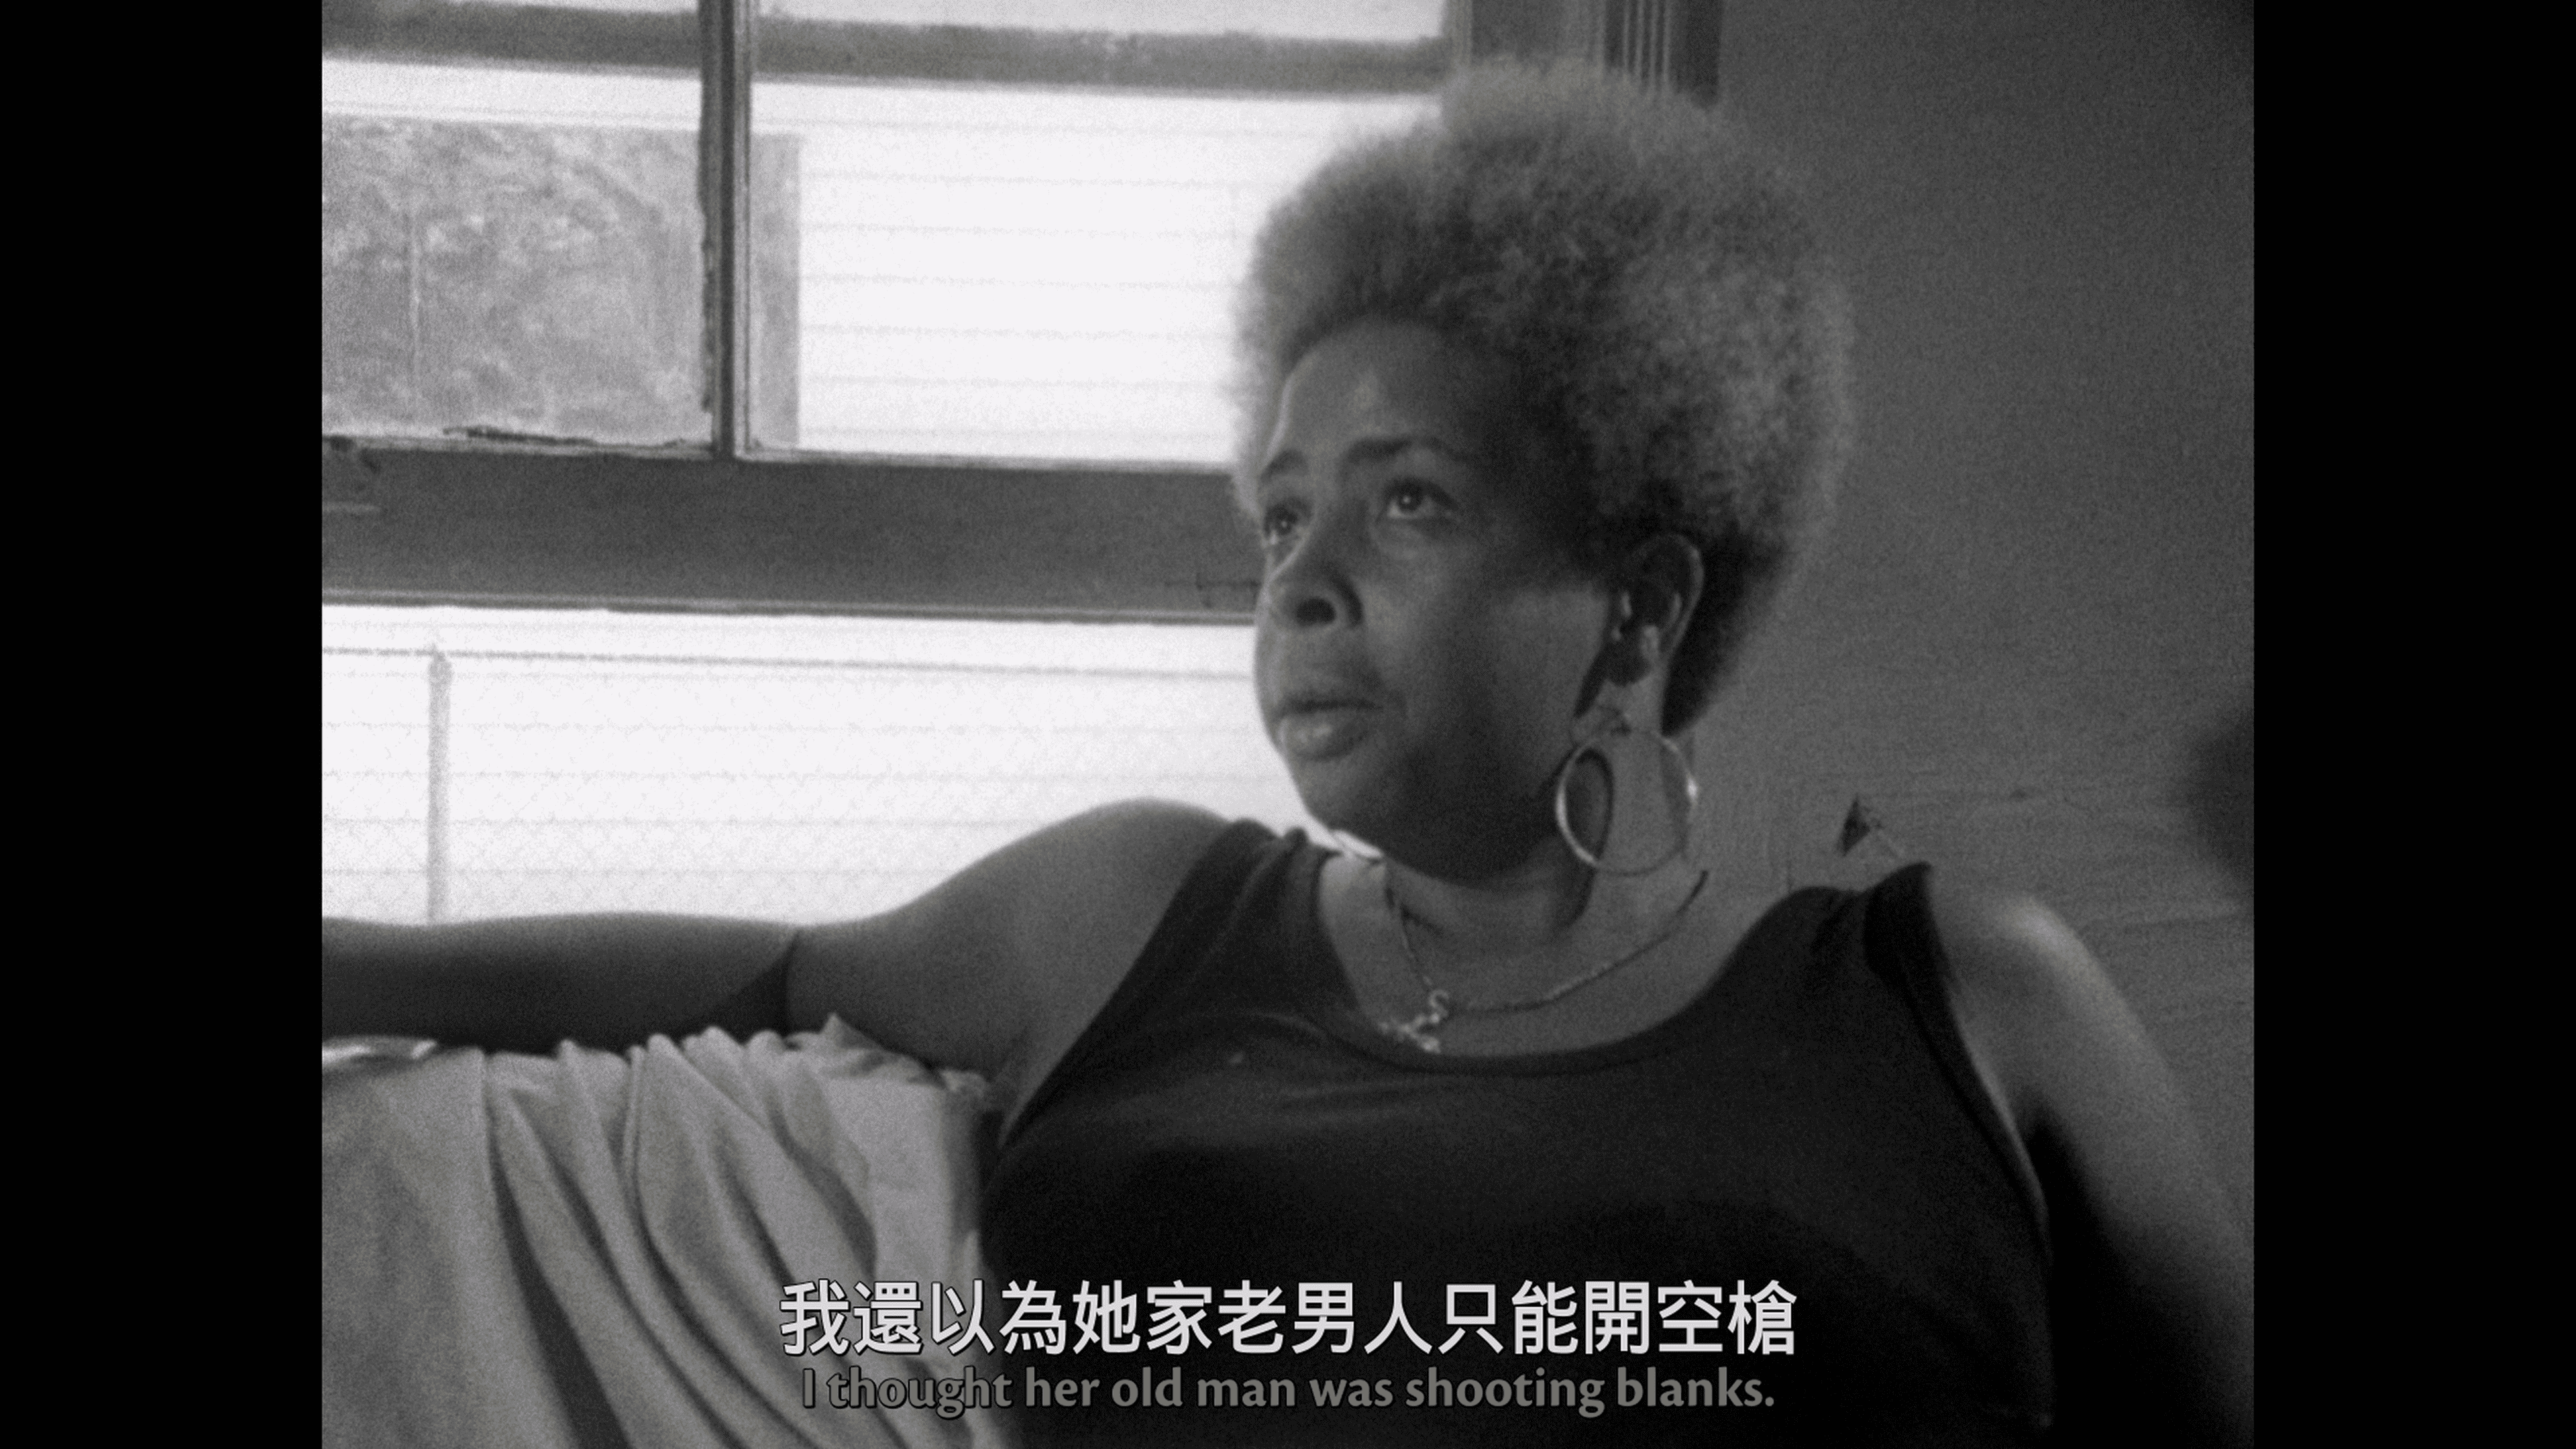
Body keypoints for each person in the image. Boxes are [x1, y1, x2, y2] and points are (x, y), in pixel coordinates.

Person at [325, 64, 2251, 1447]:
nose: (1304, 580)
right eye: (1279, 517)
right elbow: (764, 971)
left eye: (1410, 502)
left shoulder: (1969, 1004)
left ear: (1639, 606)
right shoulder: (1134, 909)